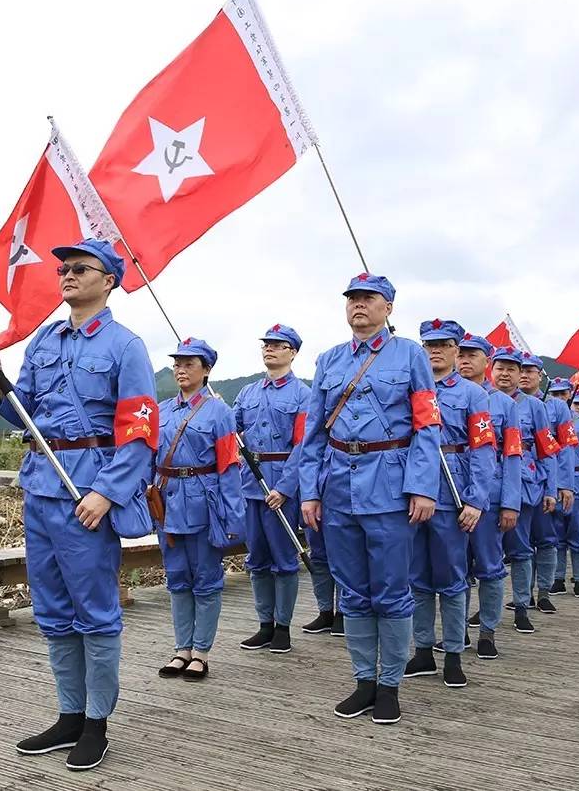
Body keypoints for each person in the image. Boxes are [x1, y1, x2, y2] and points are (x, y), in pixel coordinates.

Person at [0, 237, 158, 772]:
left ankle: (97, 722)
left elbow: (141, 430)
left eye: (81, 268)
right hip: (41, 483)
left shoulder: (126, 347)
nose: (68, 275)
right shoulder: (43, 343)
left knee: (95, 612)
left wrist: (107, 493)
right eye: (64, 269)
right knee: (52, 608)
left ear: (110, 280)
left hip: (87, 492)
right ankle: (69, 716)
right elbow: (24, 414)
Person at [298, 273, 441, 725]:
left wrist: (422, 486)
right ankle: (364, 681)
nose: (358, 305)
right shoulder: (329, 360)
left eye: (368, 299)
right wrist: (309, 492)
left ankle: (391, 685)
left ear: (388, 308)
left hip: (391, 487)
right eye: (352, 299)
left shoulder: (411, 356)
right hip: (338, 486)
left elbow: (427, 425)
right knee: (354, 592)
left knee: (392, 592)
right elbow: (314, 433)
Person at [404, 320, 488, 688]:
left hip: (453, 494)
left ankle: (453, 653)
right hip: (412, 491)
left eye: (443, 344)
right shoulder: (410, 390)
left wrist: (475, 500)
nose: (435, 351)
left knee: (453, 579)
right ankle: (422, 650)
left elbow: (484, 450)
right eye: (429, 344)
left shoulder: (473, 395)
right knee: (416, 578)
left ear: (457, 350)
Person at [155, 338, 244, 680]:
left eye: (189, 363)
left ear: (206, 370)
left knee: (206, 579)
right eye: (177, 362)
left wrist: (232, 517)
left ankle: (201, 653)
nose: (180, 368)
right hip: (167, 502)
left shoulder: (220, 413)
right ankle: (181, 649)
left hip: (204, 503)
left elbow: (228, 467)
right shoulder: (162, 410)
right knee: (177, 578)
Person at [234, 325, 311, 653]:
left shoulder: (302, 395)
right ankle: (264, 624)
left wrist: (285, 487)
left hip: (281, 484)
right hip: (250, 484)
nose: (270, 350)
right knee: (257, 558)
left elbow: (302, 445)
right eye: (267, 345)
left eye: (278, 346)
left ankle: (283, 627)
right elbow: (232, 434)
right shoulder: (247, 393)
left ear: (292, 352)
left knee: (284, 559)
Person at [456, 332, 522, 660]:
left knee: (490, 566)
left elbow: (512, 457)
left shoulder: (505, 405)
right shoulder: (436, 396)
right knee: (453, 568)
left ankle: (487, 632)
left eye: (472, 355)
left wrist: (511, 503)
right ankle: (456, 635)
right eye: (461, 354)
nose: (464, 360)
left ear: (487, 362)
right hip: (448, 495)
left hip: (489, 499)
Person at [489, 347, 558, 631]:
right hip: (484, 484)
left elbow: (548, 451)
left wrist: (551, 488)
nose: (504, 374)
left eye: (511, 369)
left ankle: (521, 606)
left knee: (519, 550)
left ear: (521, 374)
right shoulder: (480, 400)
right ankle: (486, 610)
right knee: (486, 556)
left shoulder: (535, 407)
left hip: (523, 484)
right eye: (500, 368)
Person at [519, 355, 572, 613]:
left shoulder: (557, 407)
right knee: (519, 544)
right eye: (522, 371)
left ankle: (543, 592)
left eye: (531, 371)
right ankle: (522, 595)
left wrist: (562, 485)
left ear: (541, 376)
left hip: (541, 480)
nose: (525, 376)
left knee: (546, 539)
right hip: (513, 481)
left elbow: (561, 451)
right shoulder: (502, 400)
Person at [549, 381, 579, 598]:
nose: (558, 397)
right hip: (551, 481)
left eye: (562, 393)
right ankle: (557, 579)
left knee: (578, 534)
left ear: (569, 395)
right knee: (556, 535)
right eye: (554, 393)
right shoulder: (545, 416)